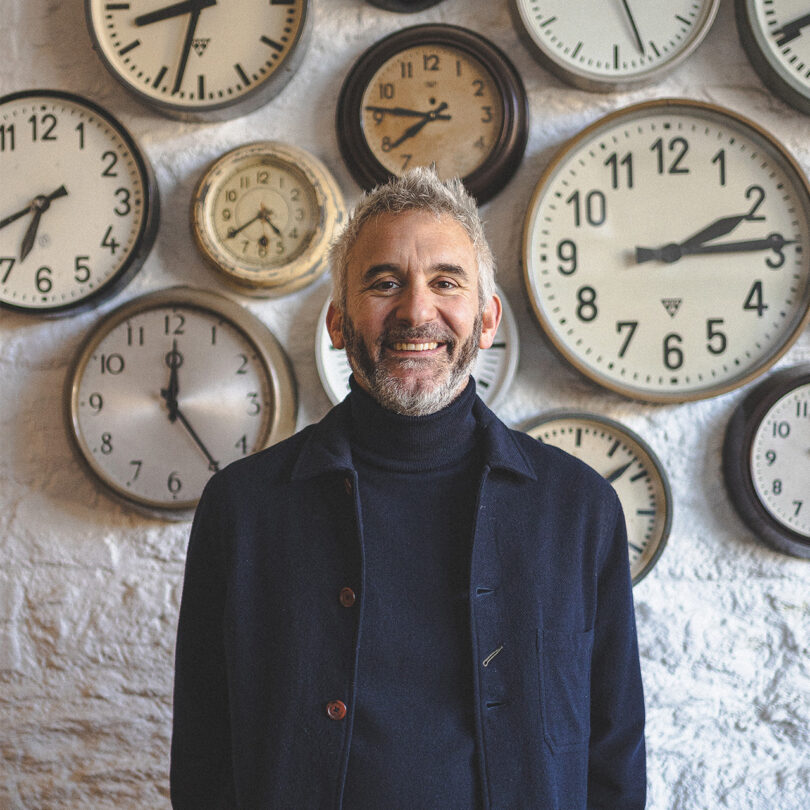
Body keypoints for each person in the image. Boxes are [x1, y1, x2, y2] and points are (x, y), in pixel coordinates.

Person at [170, 167, 646, 809]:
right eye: (384, 282)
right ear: (339, 322)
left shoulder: (580, 508)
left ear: (485, 319)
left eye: (446, 282)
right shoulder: (244, 508)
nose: (417, 311)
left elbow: (613, 753)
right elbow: (203, 759)